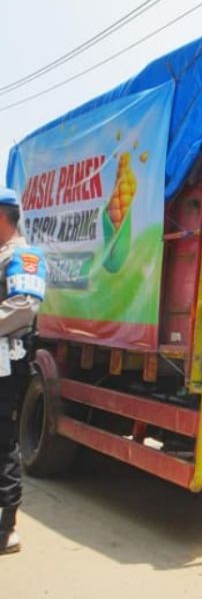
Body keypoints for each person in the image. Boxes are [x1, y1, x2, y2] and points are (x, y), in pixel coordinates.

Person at [0, 187, 47, 555]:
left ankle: (7, 527)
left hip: (7, 365)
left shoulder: (24, 256)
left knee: (3, 442)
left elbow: (23, 307)